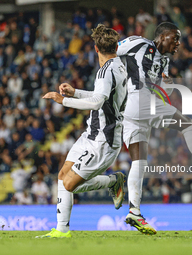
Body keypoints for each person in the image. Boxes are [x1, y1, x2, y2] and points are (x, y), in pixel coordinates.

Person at [116, 22, 192, 235]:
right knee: (187, 125)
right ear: (162, 36)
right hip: (137, 99)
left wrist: (166, 84)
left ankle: (134, 210)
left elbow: (164, 86)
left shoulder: (164, 61)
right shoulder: (137, 42)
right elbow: (112, 50)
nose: (178, 43)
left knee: (139, 161)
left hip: (135, 110)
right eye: (175, 38)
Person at [36, 24, 127, 238]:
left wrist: (64, 100)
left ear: (95, 49)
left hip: (104, 139)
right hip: (92, 134)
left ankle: (114, 181)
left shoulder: (107, 71)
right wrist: (76, 92)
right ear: (116, 47)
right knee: (62, 176)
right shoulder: (118, 66)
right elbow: (100, 97)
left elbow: (96, 103)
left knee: (69, 184)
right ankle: (61, 231)